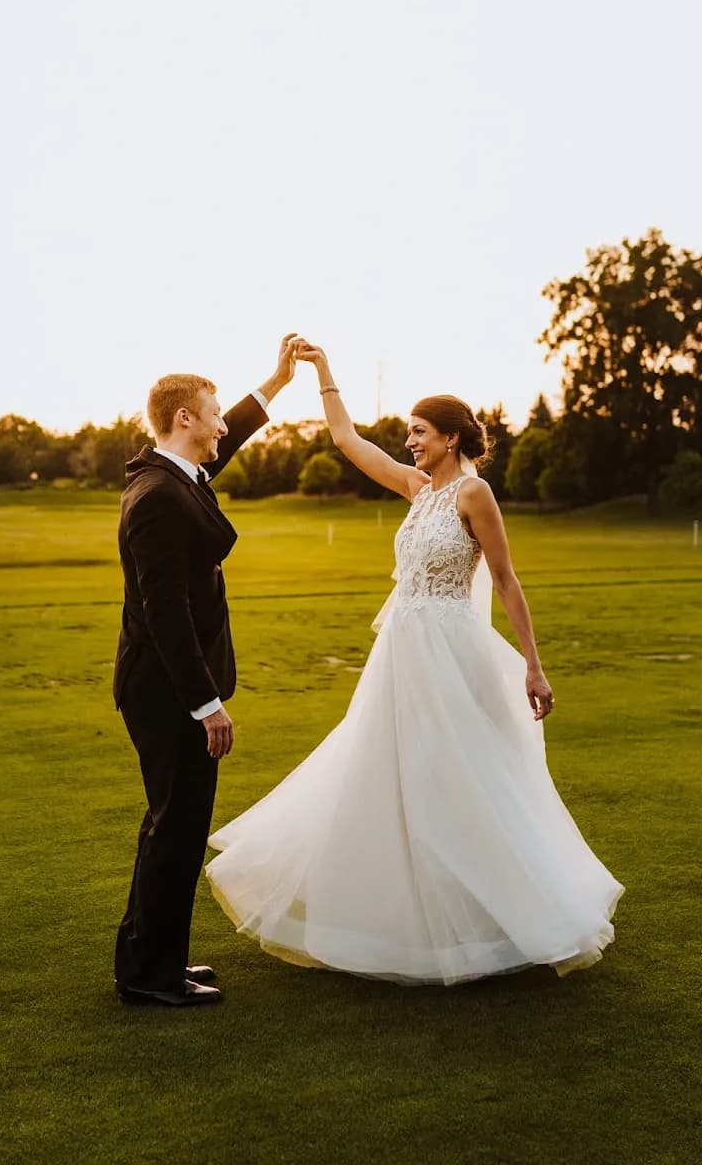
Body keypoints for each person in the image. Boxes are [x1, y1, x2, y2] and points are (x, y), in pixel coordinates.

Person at [205, 342, 624, 985]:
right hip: (401, 652)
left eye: (420, 432)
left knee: (461, 779)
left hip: (452, 652)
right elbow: (347, 439)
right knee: (392, 778)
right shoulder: (414, 488)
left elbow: (508, 583)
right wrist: (322, 372)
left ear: (452, 438)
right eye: (408, 432)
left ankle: (504, 916)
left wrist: (534, 667)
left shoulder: (473, 494)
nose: (409, 442)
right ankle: (402, 924)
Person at [113, 334, 303, 1006]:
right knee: (177, 828)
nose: (225, 425)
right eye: (215, 414)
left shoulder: (171, 478)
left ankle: (152, 958)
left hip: (167, 687)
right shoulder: (160, 496)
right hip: (166, 692)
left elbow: (235, 437)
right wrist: (204, 705)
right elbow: (164, 614)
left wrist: (275, 385)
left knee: (172, 824)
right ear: (184, 419)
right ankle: (150, 977)